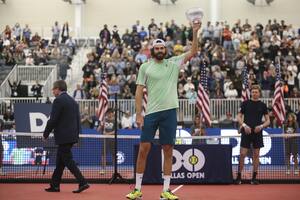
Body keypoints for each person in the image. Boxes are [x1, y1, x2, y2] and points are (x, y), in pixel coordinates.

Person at [126, 20, 201, 200]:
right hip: (151, 113)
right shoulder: (145, 67)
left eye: (162, 48)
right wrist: (138, 114)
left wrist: (195, 31)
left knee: (168, 150)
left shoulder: (174, 63)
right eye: (157, 48)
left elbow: (193, 51)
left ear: (165, 50)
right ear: (152, 51)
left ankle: (166, 190)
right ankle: (137, 189)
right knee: (144, 149)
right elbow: (138, 92)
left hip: (169, 112)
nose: (160, 50)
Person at [43, 80, 89, 193]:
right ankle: (55, 185)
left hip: (63, 137)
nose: (53, 91)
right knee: (60, 163)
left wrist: (46, 133)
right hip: (71, 136)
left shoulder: (58, 100)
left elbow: (53, 120)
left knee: (68, 161)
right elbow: (78, 120)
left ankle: (82, 182)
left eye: (53, 89)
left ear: (58, 89)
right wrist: (77, 135)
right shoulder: (73, 101)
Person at [235, 85, 270, 185]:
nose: (254, 93)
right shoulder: (245, 103)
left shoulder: (263, 105)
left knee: (256, 155)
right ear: (251, 93)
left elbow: (268, 121)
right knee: (242, 154)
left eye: (256, 92)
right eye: (253, 92)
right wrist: (244, 125)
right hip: (246, 132)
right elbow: (238, 117)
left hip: (257, 133)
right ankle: (238, 177)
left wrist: (261, 126)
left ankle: (254, 178)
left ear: (259, 93)